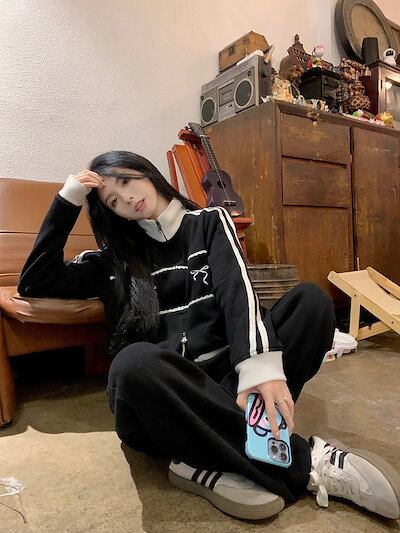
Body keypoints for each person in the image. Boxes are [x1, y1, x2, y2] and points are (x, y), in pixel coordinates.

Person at [18, 151, 400, 521]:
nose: (128, 198)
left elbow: (238, 290)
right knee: (132, 363)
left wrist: (260, 367)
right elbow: (35, 281)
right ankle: (306, 462)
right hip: (165, 400)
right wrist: (68, 200)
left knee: (312, 304)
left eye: (126, 181)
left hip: (229, 384)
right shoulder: (113, 259)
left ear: (145, 171)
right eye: (113, 201)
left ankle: (197, 460)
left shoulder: (209, 222)